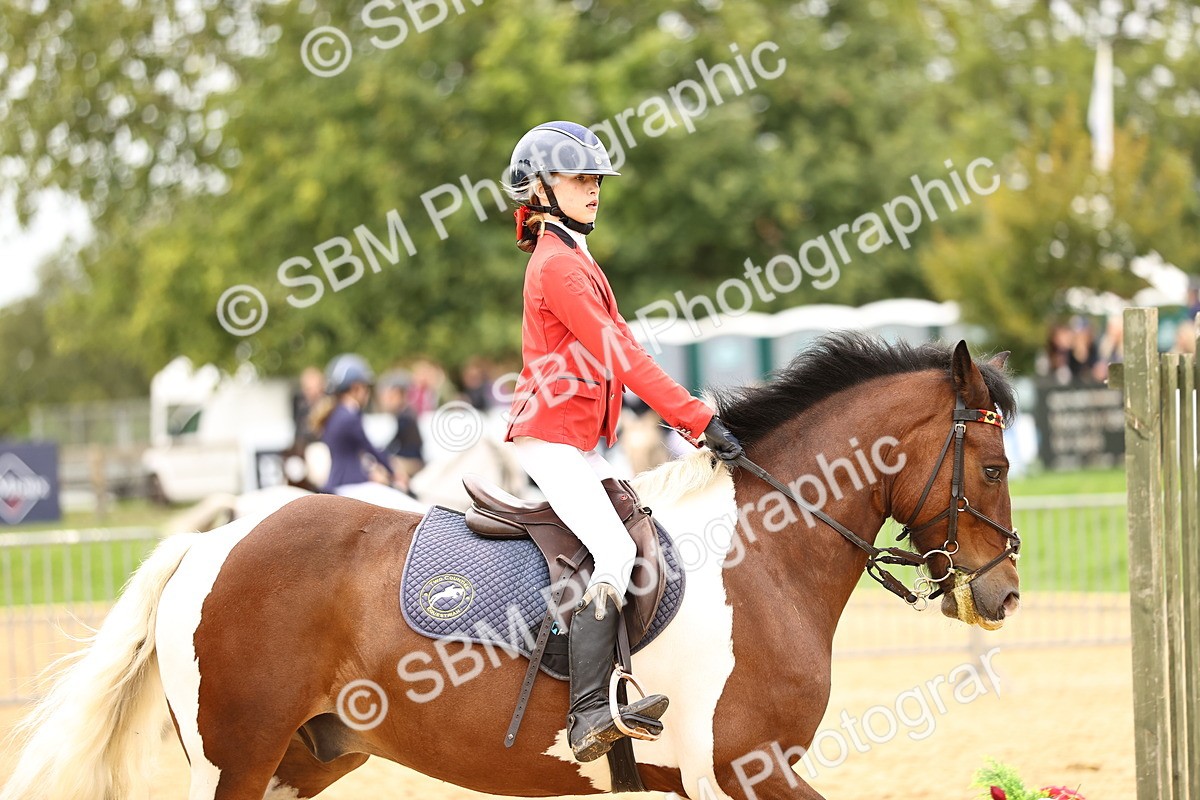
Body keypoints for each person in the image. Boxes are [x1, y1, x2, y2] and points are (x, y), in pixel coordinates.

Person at [501, 121, 744, 762]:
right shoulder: (558, 267)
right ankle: (587, 714)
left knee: (643, 529)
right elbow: (622, 355)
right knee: (611, 548)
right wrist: (696, 420)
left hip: (576, 438)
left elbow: (622, 358)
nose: (593, 190)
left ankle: (623, 676)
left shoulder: (574, 257)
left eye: (596, 179)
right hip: (551, 438)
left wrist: (690, 418)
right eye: (579, 179)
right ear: (542, 188)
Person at [311, 354, 418, 510]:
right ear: (356, 388)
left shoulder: (335, 415)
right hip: (352, 485)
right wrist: (394, 472)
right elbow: (370, 448)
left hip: (340, 483)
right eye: (365, 388)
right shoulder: (349, 416)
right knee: (406, 508)